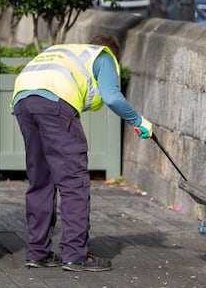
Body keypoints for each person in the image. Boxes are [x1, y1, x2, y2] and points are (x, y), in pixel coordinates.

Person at [11, 35, 153, 272]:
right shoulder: (104, 56)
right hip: (55, 102)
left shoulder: (65, 51)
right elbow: (111, 96)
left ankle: (38, 252)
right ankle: (75, 254)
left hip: (22, 99)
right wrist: (139, 121)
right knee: (73, 182)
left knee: (40, 180)